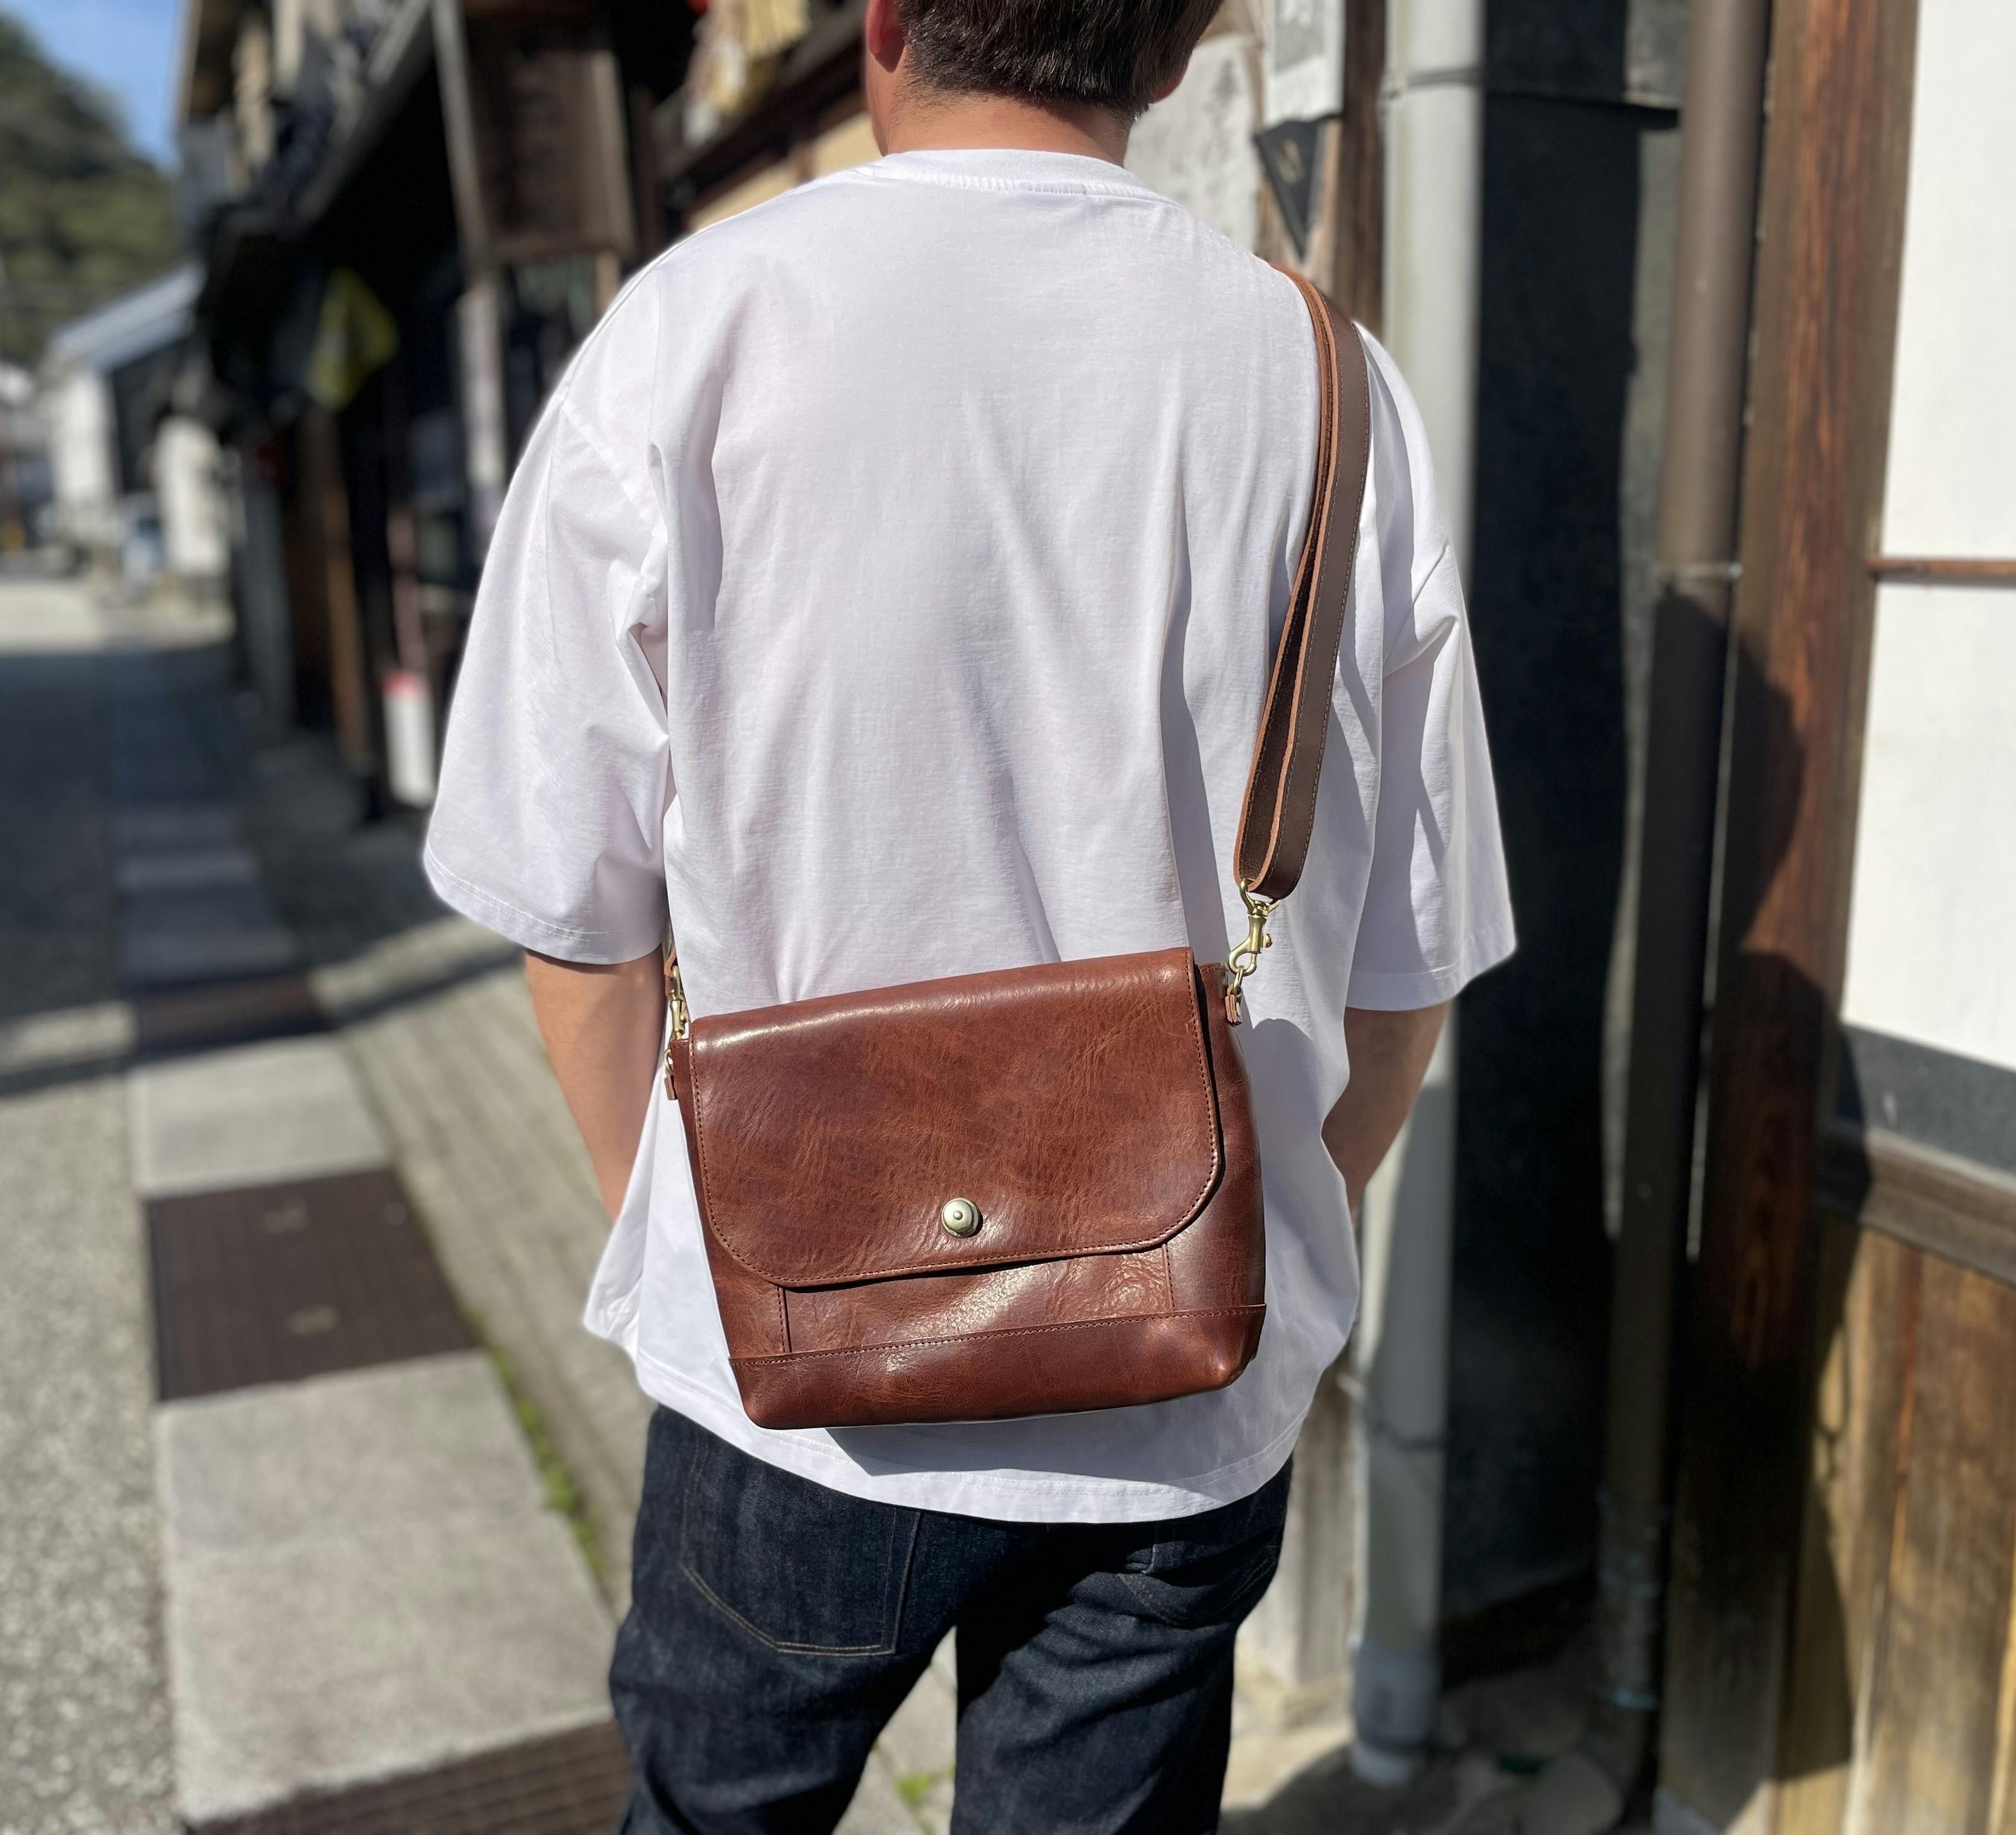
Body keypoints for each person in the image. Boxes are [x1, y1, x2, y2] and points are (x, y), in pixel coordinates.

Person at [423, 1, 1514, 1827]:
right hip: (1185, 1385)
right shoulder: (1329, 381)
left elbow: (574, 910)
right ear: (1176, 51)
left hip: (790, 1367)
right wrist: (1214, 1219)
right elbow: (1407, 960)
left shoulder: (691, 330)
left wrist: (690, 1224)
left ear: (882, 22)